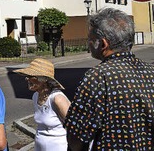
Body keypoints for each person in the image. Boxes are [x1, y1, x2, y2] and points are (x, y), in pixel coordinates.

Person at [64, 8, 154, 150]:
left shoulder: (97, 77)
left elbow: (77, 136)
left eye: (90, 39)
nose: (88, 43)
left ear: (103, 44)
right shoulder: (151, 71)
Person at [13, 58, 70, 151]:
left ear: (43, 79)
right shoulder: (36, 96)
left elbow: (74, 127)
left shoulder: (57, 99)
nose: (27, 78)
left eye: (31, 76)